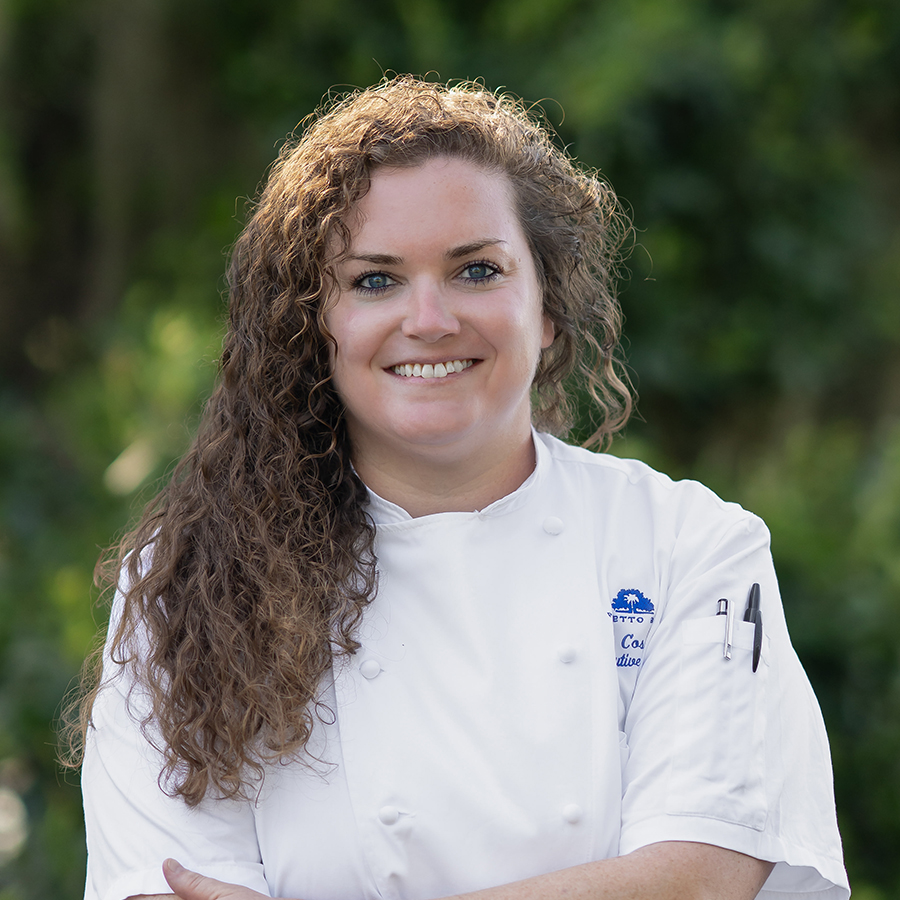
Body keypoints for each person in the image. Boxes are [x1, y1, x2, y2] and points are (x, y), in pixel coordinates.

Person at [74, 76, 849, 900]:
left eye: (476, 270)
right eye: (375, 280)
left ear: (547, 307)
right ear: (314, 325)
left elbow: (696, 879)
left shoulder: (687, 546)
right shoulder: (192, 584)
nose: (430, 320)